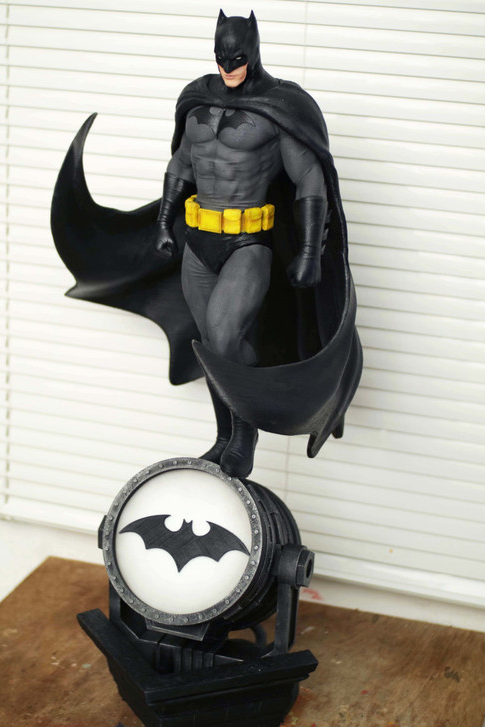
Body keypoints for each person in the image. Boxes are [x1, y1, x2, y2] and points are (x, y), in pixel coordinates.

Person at [154, 11, 330, 477]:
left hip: (247, 241)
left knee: (225, 335)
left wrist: (309, 251)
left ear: (253, 52)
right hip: (198, 241)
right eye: (221, 57)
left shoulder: (277, 106)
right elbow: (181, 164)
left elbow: (309, 177)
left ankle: (246, 429)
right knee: (210, 344)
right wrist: (164, 222)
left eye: (237, 58)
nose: (228, 66)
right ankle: (224, 436)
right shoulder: (197, 100)